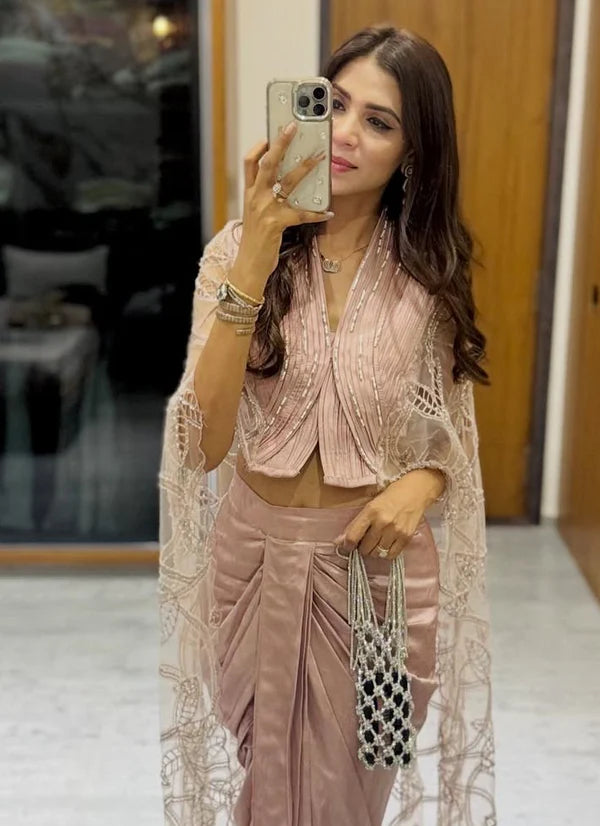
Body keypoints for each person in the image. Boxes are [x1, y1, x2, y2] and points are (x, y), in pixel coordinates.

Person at [158, 24, 496, 826]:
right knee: (265, 782)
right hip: (253, 569)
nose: (345, 133)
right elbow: (202, 444)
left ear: (411, 152)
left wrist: (424, 481)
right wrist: (256, 254)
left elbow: (449, 433)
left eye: (379, 122)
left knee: (359, 789)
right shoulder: (237, 252)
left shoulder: (430, 272)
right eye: (333, 105)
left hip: (381, 584)